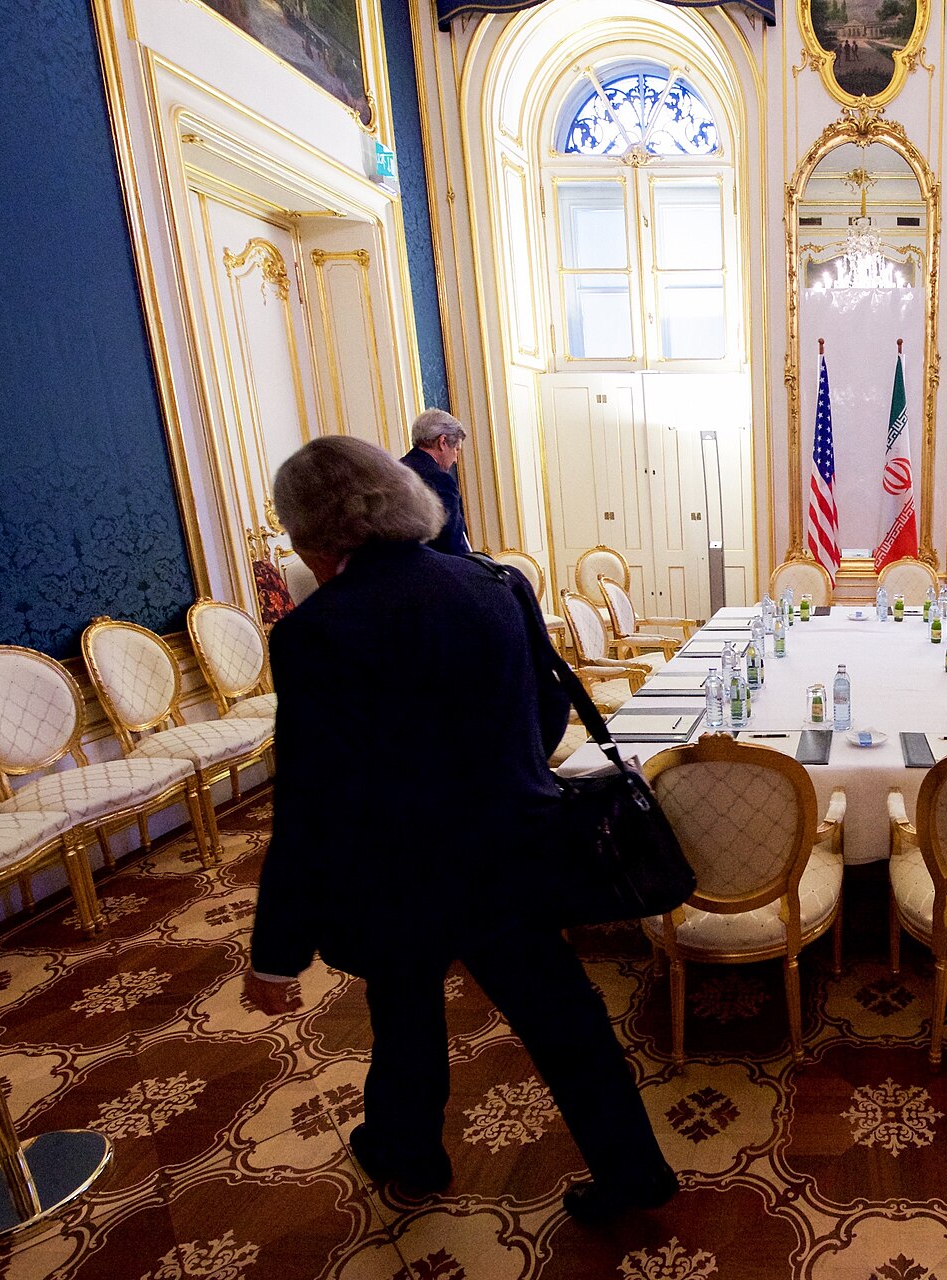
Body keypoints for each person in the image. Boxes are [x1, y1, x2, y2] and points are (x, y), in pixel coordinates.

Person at [245, 436, 676, 1221]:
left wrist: (276, 954)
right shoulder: (493, 586)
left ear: (317, 531)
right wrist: (501, 775)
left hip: (396, 874)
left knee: (405, 1018)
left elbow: (310, 799)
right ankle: (635, 1171)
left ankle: (410, 1152)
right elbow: (547, 710)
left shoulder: (314, 632)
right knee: (567, 1024)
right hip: (512, 851)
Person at [399, 408, 472, 556]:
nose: (456, 459)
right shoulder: (439, 479)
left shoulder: (397, 470)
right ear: (442, 442)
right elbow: (452, 541)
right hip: (437, 569)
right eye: (457, 449)